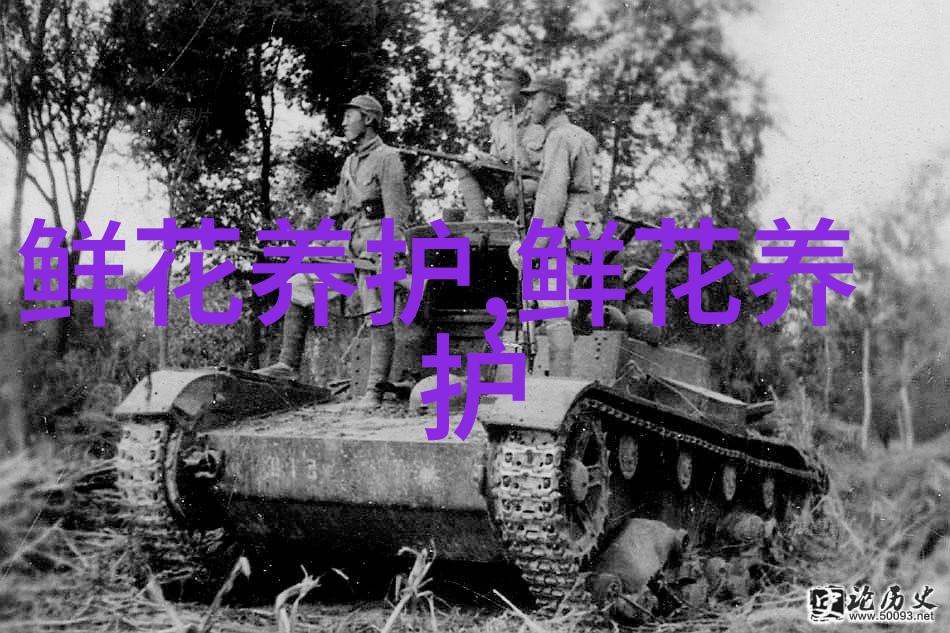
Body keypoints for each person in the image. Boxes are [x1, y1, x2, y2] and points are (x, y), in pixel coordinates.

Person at [257, 94, 411, 409]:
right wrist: (316, 246)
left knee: (377, 309)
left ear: (368, 119)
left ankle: (374, 391)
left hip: (375, 241)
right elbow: (337, 212)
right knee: (299, 283)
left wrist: (390, 253)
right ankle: (287, 365)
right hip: (346, 241)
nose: (343, 122)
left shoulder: (388, 157)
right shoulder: (349, 163)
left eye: (349, 116)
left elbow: (397, 213)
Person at [519, 75, 599, 376]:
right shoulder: (577, 135)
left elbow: (552, 198)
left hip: (561, 232)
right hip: (580, 230)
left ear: (552, 101)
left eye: (534, 97)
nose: (529, 105)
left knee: (554, 310)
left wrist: (533, 246)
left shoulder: (558, 138)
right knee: (562, 306)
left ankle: (558, 389)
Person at [455, 67, 545, 221]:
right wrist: (477, 158)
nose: (502, 94)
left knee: (515, 189)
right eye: (501, 90)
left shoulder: (539, 118)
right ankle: (479, 221)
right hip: (508, 186)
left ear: (524, 89)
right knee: (463, 164)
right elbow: (496, 159)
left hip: (537, 188)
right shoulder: (499, 122)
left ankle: (532, 224)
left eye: (507, 90)